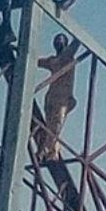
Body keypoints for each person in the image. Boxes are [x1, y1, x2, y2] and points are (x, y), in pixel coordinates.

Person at [36, 33, 81, 161]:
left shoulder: (67, 57)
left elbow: (76, 43)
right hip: (51, 97)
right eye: (56, 40)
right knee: (50, 126)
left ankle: (45, 150)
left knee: (56, 126)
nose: (58, 42)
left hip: (63, 99)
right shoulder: (52, 60)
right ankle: (53, 152)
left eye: (61, 40)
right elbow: (37, 61)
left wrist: (72, 26)